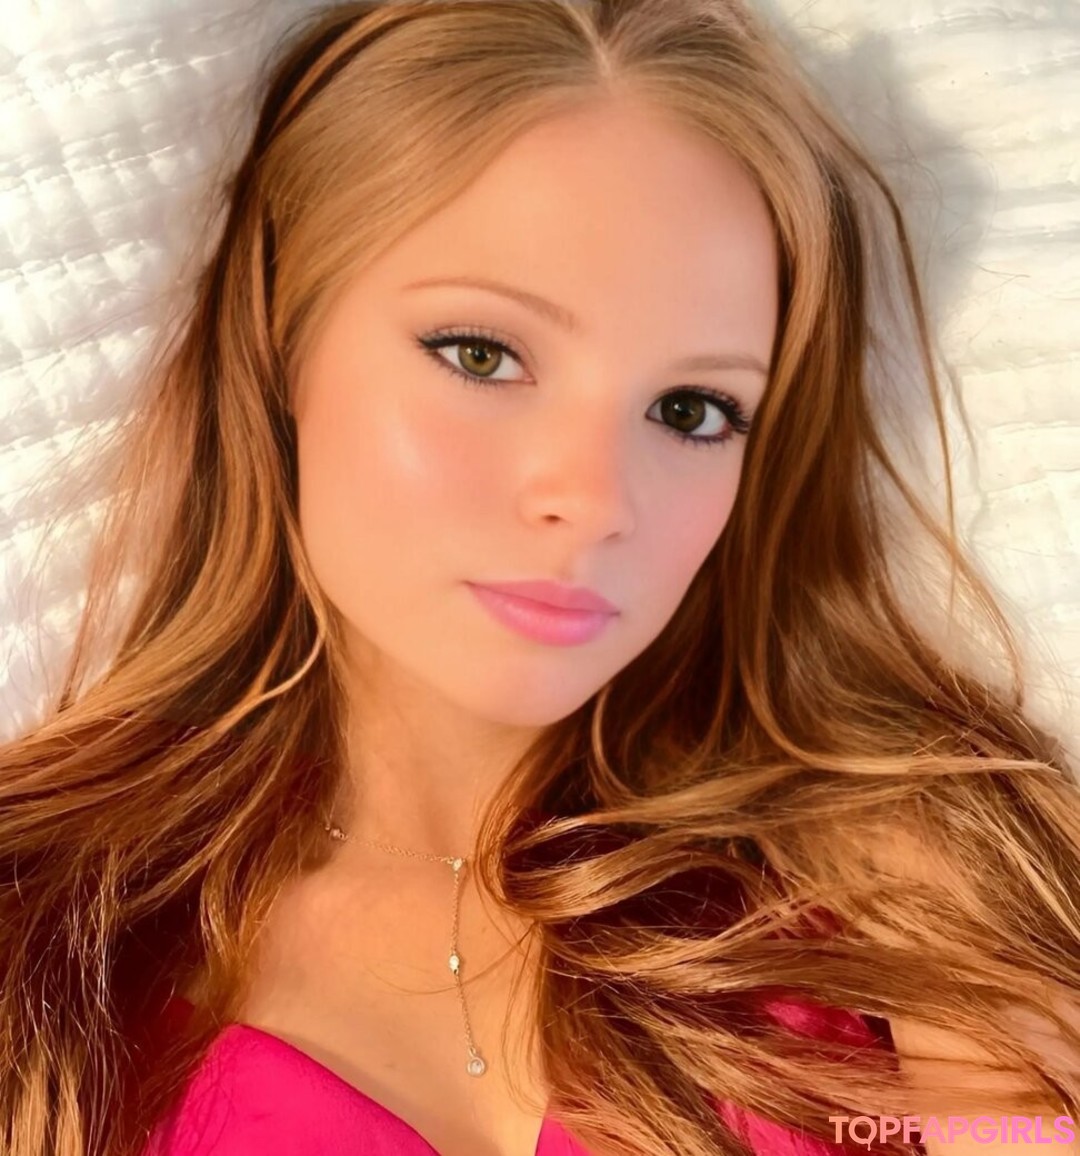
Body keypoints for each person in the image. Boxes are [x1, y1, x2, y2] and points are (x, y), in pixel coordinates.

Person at [0, 1, 1077, 1154]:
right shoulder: (44, 946)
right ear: (278, 342)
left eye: (690, 410)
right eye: (482, 354)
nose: (596, 497)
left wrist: (950, 910)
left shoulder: (913, 880)